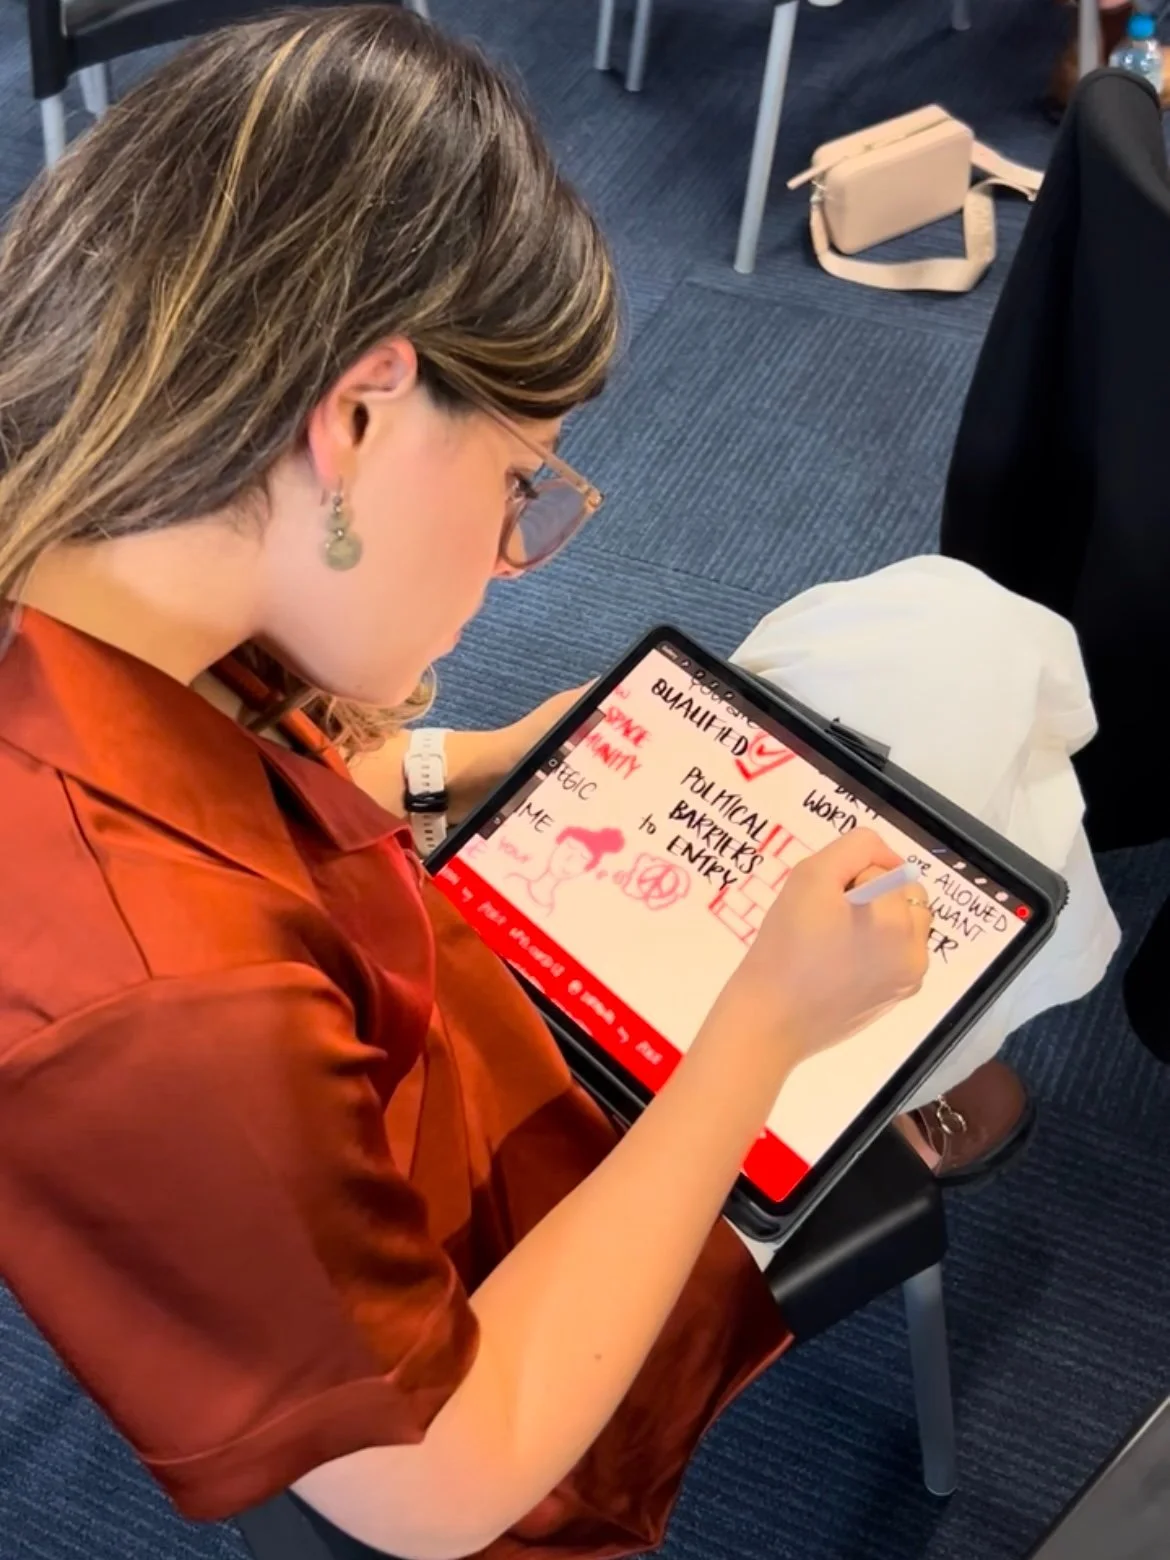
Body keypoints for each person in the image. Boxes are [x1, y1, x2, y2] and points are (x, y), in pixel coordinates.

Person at [0, 11, 980, 1558]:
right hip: (441, 1362)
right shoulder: (172, 1007)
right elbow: (439, 1483)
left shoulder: (94, 559)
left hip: (396, 1083)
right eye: (521, 479)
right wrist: (755, 1040)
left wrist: (485, 756)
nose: (513, 552)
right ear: (362, 413)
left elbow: (243, 778)